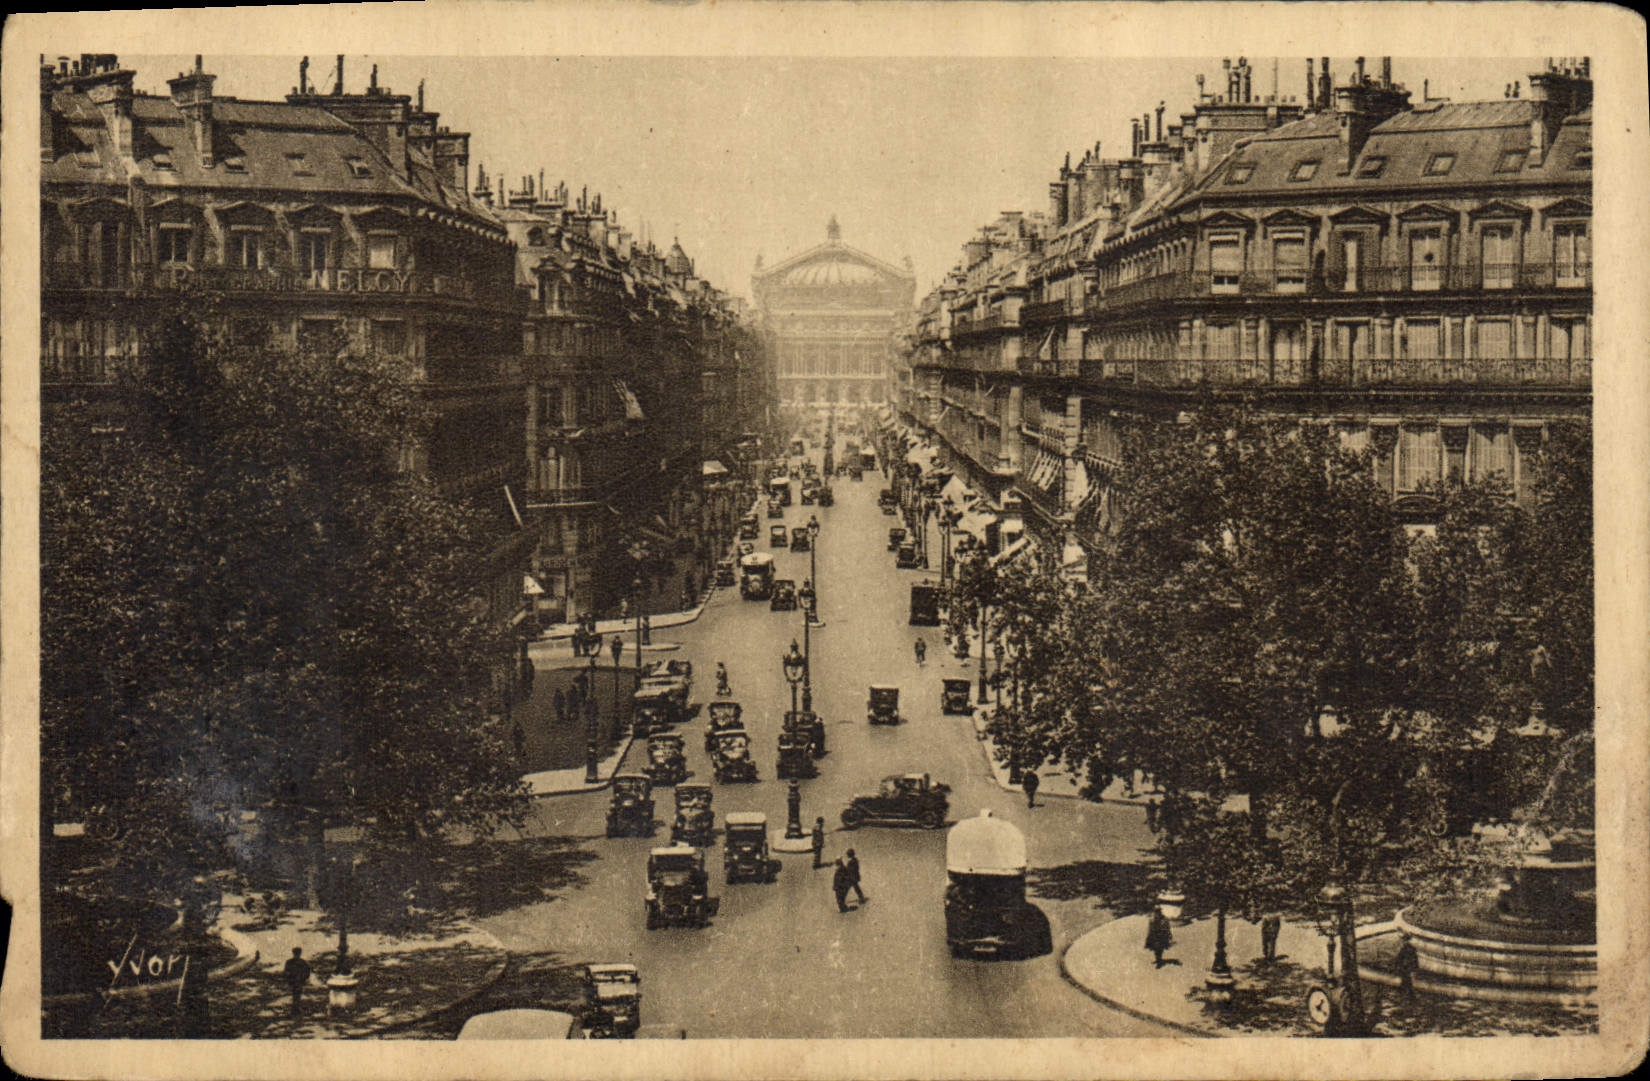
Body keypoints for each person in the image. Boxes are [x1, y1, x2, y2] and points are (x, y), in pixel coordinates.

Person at [282, 947, 312, 1019]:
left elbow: (286, 972)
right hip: (298, 982)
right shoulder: (303, 962)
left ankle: (295, 1009)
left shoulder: (289, 962)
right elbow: (307, 972)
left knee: (295, 995)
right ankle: (296, 1009)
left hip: (294, 981)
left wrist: (288, 980)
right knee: (297, 995)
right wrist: (303, 979)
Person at [1395, 934, 1420, 1002]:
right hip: (1409, 968)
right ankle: (1410, 997)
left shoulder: (1405, 948)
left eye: (1403, 940)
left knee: (1406, 982)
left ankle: (1408, 998)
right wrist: (1415, 969)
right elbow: (1415, 960)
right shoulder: (1412, 948)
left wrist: (1397, 966)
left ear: (1405, 940)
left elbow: (1399, 958)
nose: (1403, 941)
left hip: (1406, 968)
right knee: (1408, 983)